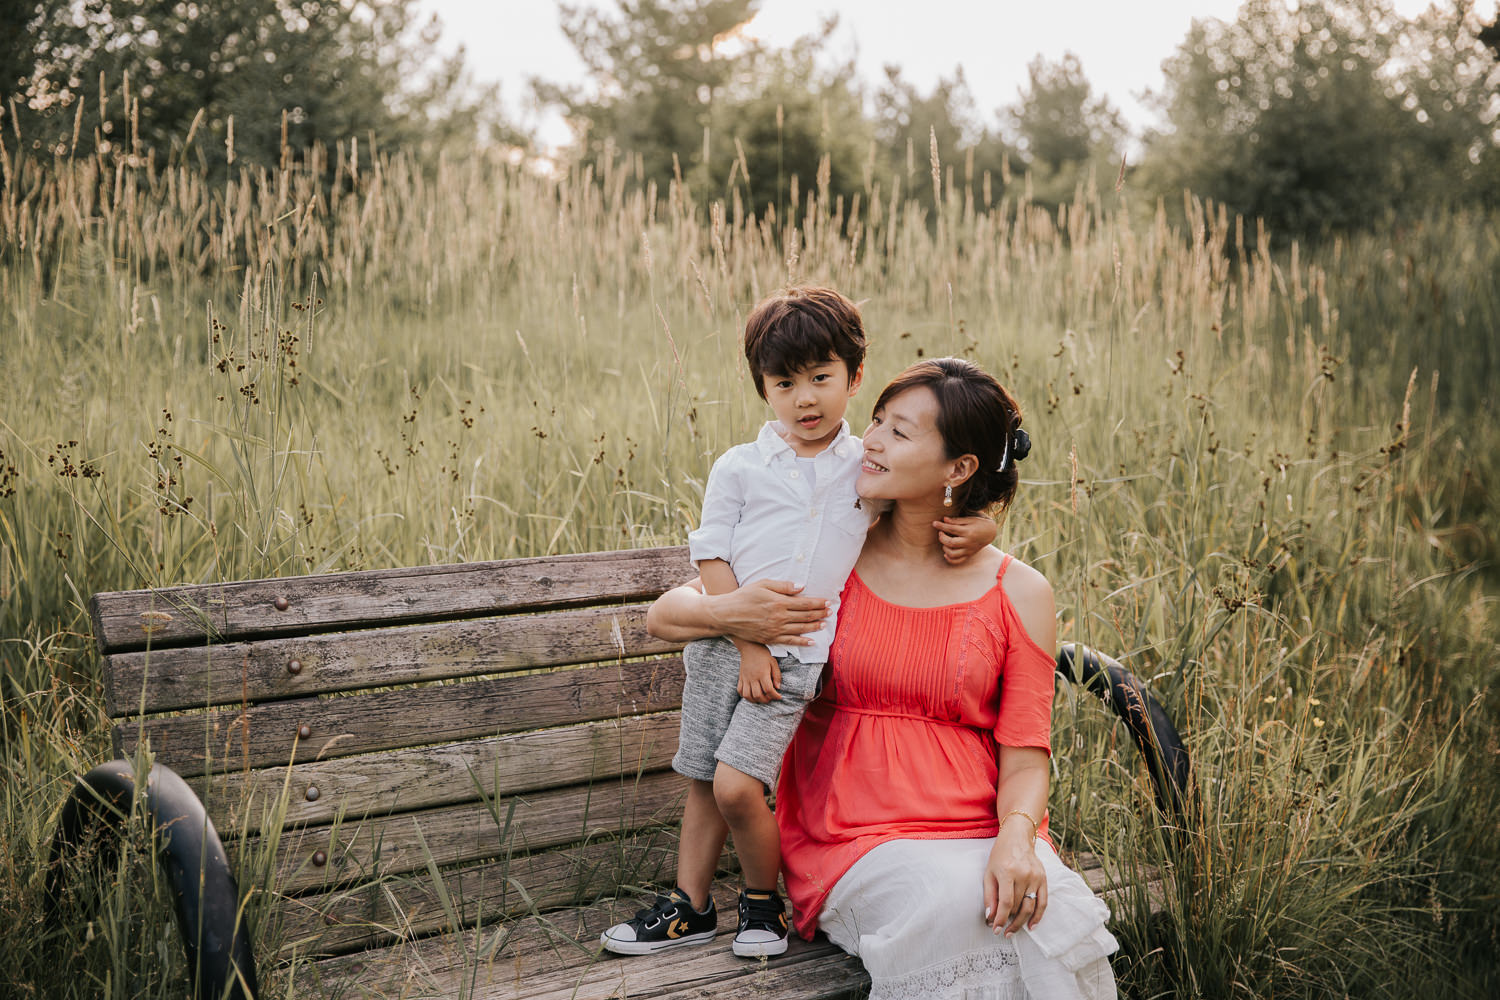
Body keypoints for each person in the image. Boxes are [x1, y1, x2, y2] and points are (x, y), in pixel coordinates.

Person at [645, 357, 1118, 999]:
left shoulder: (1021, 591)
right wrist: (732, 615)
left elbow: (1027, 753)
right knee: (958, 911)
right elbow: (666, 615)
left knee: (1043, 911)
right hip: (849, 833)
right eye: (877, 422)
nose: (870, 440)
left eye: (900, 432)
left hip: (979, 829)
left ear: (960, 468)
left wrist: (1018, 841)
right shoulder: (834, 551)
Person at [600, 290, 997, 959]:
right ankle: (690, 907)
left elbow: (931, 504)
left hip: (796, 664)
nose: (805, 399)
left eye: (821, 378)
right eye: (785, 384)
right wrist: (745, 642)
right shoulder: (740, 467)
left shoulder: (863, 470)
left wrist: (982, 525)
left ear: (854, 377)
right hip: (722, 648)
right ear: (763, 387)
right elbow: (711, 555)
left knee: (737, 785)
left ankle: (763, 902)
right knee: (702, 777)